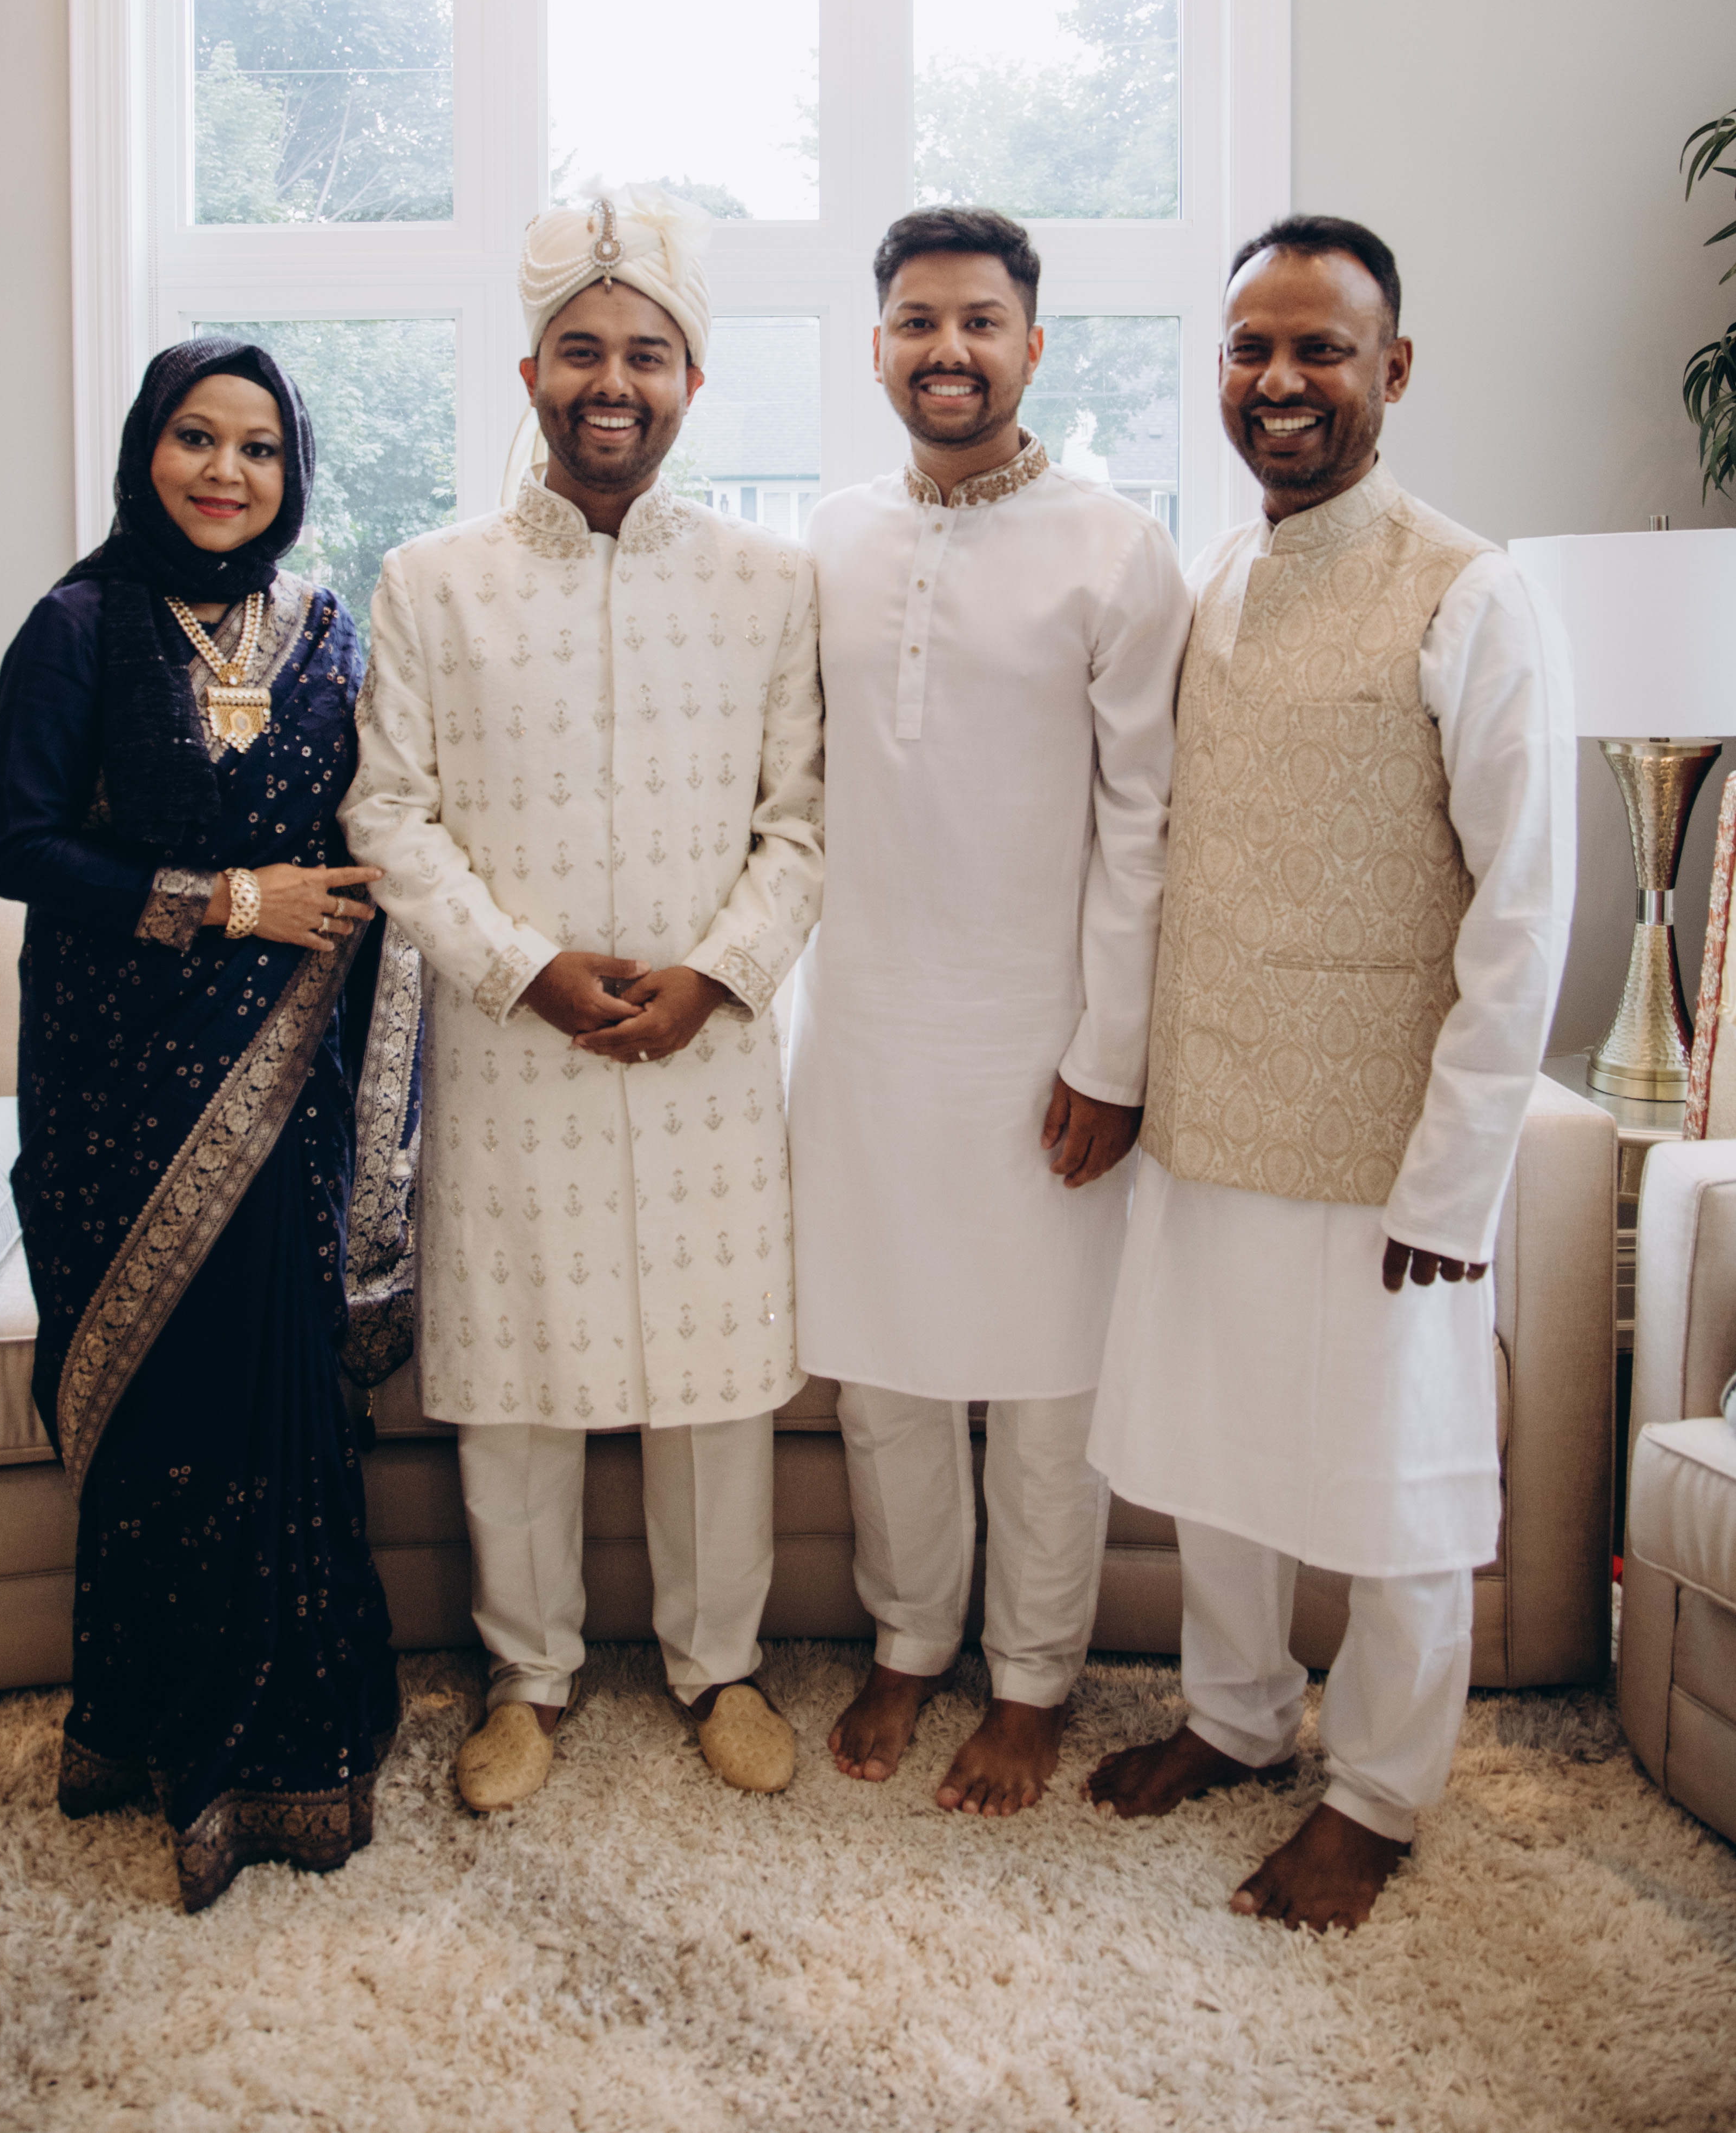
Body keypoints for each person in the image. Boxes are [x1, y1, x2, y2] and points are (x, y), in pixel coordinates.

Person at [1086, 216, 1575, 1931]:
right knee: (1218, 1446)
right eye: (1251, 348)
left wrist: (1460, 1175)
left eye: (1320, 349)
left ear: (1394, 369)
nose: (1280, 380)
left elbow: (1524, 911)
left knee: (1394, 1480)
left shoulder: (1471, 588)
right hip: (1214, 1107)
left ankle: (1376, 1790)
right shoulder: (1218, 572)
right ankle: (1233, 1715)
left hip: (1386, 1137)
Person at [342, 184, 826, 1813]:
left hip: (707, 1045)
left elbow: (802, 821)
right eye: (581, 352)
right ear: (531, 373)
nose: (612, 383)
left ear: (692, 381)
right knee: (519, 1373)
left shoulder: (769, 583)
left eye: (647, 355)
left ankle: (720, 1663)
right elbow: (390, 815)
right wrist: (523, 968)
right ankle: (528, 1675)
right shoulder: (434, 582)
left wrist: (718, 976)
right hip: (515, 1047)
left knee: (715, 1379)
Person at [0, 340, 406, 1914]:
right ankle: (161, 1732)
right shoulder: (78, 625)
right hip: (115, 1083)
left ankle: (295, 1740)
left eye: (260, 447)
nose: (228, 471)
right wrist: (231, 902)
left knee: (273, 1398)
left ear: (293, 473)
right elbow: (21, 848)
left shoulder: (329, 631)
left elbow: (372, 832)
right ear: (144, 452)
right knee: (164, 1414)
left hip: (285, 1083)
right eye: (195, 437)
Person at [786, 206, 1191, 1814]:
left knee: (1043, 1380)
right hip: (864, 1028)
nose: (945, 349)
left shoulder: (1116, 547)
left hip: (1045, 1037)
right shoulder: (826, 539)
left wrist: (1114, 1052)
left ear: (1032, 343)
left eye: (977, 322)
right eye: (915, 321)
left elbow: (1147, 822)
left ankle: (1031, 1680)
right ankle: (907, 1639)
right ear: (878, 343)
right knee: (884, 1373)